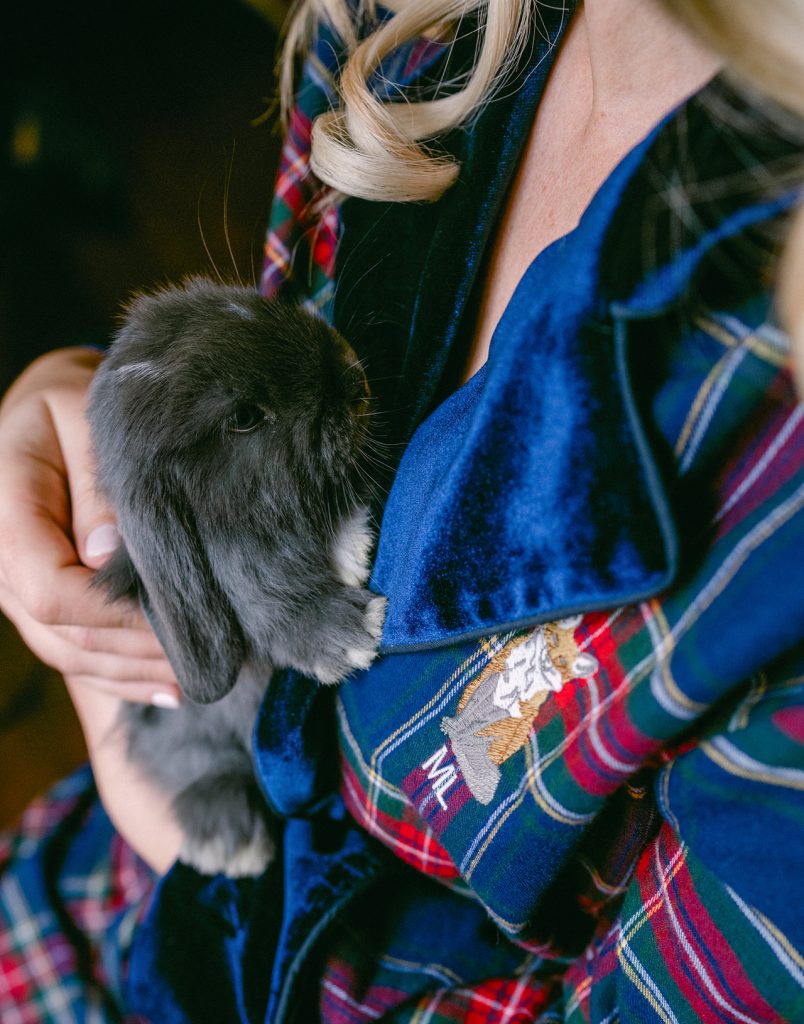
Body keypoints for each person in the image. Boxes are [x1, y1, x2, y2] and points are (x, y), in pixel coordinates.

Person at [1, 0, 802, 1019]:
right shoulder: (410, 27)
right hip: (113, 869)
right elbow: (254, 375)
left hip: (264, 961)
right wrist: (71, 407)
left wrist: (140, 783)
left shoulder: (772, 477)